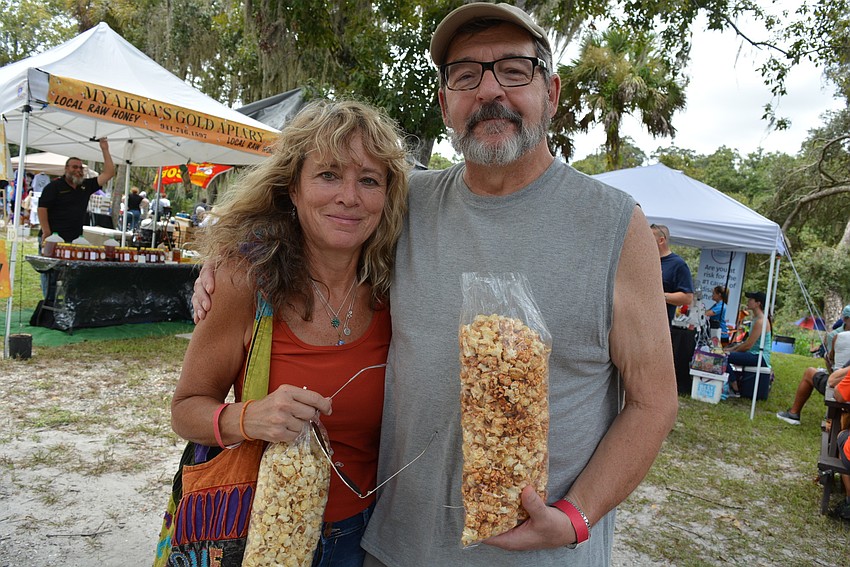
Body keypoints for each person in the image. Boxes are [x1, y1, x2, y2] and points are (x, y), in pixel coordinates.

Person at [194, 4, 678, 563]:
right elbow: (307, 219)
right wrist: (225, 259)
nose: (489, 91)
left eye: (514, 70)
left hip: (537, 556)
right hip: (396, 548)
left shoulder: (615, 226)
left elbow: (652, 401)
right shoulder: (407, 206)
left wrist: (577, 515)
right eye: (465, 75)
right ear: (446, 103)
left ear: (552, 92)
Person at [171, 100, 410, 567]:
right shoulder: (245, 280)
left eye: (369, 180)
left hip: (367, 539)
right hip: (260, 533)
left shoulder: (399, 288)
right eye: (328, 175)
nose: (349, 196)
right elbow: (185, 409)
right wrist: (248, 417)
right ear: (292, 189)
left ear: (388, 197)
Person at [37, 138, 115, 242]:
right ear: (66, 168)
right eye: (74, 167)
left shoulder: (86, 185)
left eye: (80, 168)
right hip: (53, 237)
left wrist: (105, 149)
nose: (78, 170)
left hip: (75, 239)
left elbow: (109, 173)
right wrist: (46, 232)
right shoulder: (54, 186)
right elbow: (42, 209)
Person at [725, 291, 772, 396]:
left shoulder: (761, 321)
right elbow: (747, 343)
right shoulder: (756, 319)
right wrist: (731, 349)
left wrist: (729, 352)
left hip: (760, 357)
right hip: (754, 354)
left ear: (757, 303)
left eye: (751, 299)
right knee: (726, 354)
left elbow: (748, 345)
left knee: (724, 358)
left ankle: (735, 386)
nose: (748, 301)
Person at [651, 223, 694, 324]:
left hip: (659, 325)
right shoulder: (646, 260)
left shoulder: (678, 264)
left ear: (661, 240)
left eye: (650, 237)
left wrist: (660, 296)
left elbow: (687, 298)